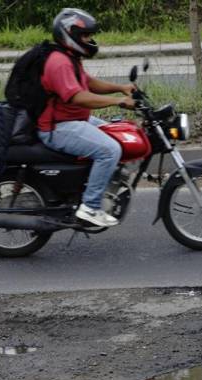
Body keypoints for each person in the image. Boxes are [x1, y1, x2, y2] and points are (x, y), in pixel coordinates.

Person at [37, 8, 136, 228]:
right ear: (69, 34)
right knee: (109, 150)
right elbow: (78, 97)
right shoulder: (59, 62)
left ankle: (97, 184)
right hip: (58, 127)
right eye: (85, 35)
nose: (90, 40)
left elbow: (88, 83)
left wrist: (121, 88)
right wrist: (118, 101)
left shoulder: (69, 57)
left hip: (73, 121)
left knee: (119, 131)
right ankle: (90, 207)